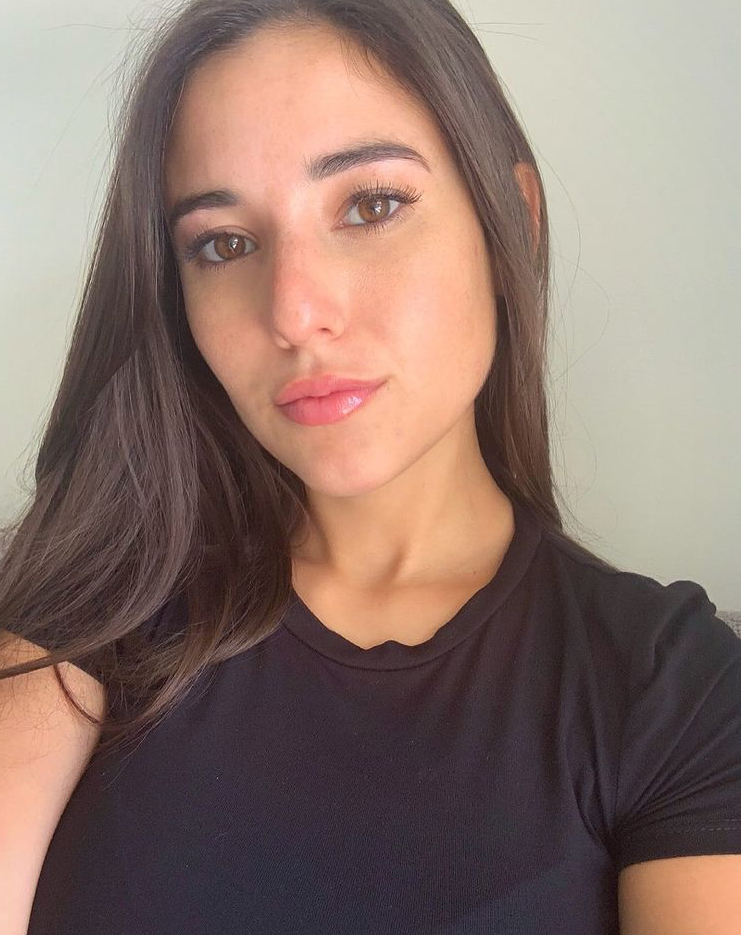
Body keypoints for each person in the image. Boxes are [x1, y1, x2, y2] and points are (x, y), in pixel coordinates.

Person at [1, 1, 739, 933]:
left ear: (513, 220)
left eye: (371, 204)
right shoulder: (85, 627)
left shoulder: (672, 688)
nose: (293, 310)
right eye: (223, 243)